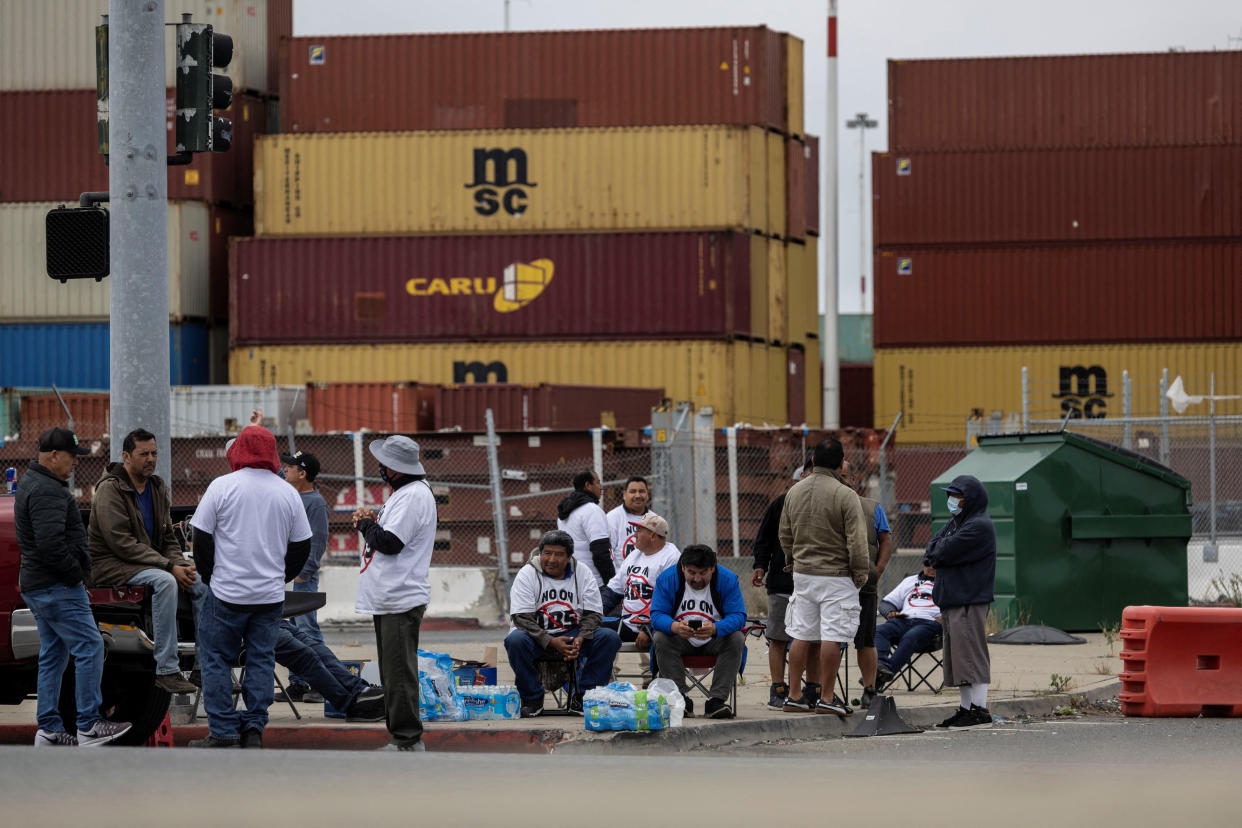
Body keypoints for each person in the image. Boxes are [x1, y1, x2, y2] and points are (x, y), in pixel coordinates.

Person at [188, 424, 312, 748]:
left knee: (217, 659)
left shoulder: (222, 486)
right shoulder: (287, 492)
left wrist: (209, 575)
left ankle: (223, 731)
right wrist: (280, 576)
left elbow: (200, 537)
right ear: (272, 453)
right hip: (269, 597)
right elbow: (302, 545)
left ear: (238, 450)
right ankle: (254, 727)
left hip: (227, 593)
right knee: (261, 659)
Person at [16, 428, 132, 747]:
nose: (74, 464)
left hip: (39, 585)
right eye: (71, 457)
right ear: (54, 455)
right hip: (57, 586)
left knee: (54, 654)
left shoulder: (31, 482)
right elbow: (51, 545)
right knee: (90, 647)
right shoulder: (49, 490)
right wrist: (76, 575)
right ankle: (89, 724)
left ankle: (50, 730)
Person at [88, 428, 205, 694]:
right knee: (165, 581)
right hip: (111, 565)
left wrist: (182, 566)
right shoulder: (110, 489)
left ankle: (203, 668)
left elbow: (167, 539)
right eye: (144, 454)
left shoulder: (157, 487)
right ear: (126, 456)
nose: (150, 458)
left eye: (154, 453)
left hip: (146, 563)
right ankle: (167, 669)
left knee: (202, 582)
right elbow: (121, 543)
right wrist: (168, 567)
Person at [353, 435, 438, 752]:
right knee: (393, 670)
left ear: (396, 469)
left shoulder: (413, 496)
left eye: (384, 465)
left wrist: (364, 524)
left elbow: (390, 542)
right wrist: (373, 520)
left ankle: (407, 740)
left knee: (398, 672)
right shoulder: (407, 493)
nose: (380, 469)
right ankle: (402, 738)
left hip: (399, 597)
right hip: (391, 596)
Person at [777, 438, 869, 716]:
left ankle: (794, 694)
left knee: (800, 633)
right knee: (833, 635)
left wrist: (792, 560)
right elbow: (857, 541)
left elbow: (785, 533)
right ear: (842, 463)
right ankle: (827, 697)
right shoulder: (845, 494)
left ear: (813, 461)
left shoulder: (795, 491)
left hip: (804, 573)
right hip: (837, 575)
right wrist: (860, 573)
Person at [505, 530, 623, 718]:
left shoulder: (582, 572)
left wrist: (581, 638)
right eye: (547, 553)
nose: (551, 559)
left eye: (559, 554)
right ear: (540, 553)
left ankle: (584, 697)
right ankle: (532, 699)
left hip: (572, 635)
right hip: (537, 636)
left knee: (609, 638)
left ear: (569, 557)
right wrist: (550, 641)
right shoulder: (527, 574)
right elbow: (521, 618)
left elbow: (594, 613)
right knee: (515, 640)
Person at [925, 474, 997, 729]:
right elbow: (931, 550)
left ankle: (979, 710)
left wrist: (939, 552)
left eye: (957, 496)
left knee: (971, 655)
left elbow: (941, 551)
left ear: (970, 499)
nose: (952, 500)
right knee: (959, 657)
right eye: (950, 495)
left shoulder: (978, 526)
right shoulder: (958, 522)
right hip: (954, 598)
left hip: (969, 598)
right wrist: (939, 552)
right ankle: (966, 709)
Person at [751, 457, 821, 709]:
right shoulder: (780, 504)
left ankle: (812, 687)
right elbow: (764, 539)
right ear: (799, 478)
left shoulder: (825, 504)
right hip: (782, 582)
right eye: (808, 475)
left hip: (815, 582)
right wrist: (760, 566)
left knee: (814, 639)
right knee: (778, 637)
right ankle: (778, 688)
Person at [650, 544, 747, 719]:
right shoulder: (667, 578)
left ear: (713, 568)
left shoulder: (727, 579)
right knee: (660, 637)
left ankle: (716, 701)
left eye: (703, 573)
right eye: (691, 572)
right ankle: (680, 698)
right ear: (682, 567)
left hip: (714, 640)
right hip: (680, 639)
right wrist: (676, 627)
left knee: (736, 638)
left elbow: (739, 616)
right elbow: (656, 615)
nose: (697, 579)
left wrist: (716, 628)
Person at [279, 449, 330, 703]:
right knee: (291, 630)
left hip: (302, 576)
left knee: (307, 628)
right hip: (284, 573)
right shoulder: (289, 493)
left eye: (290, 467)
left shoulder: (316, 504)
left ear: (303, 473)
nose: (284, 469)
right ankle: (298, 682)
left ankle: (321, 684)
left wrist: (304, 572)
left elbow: (318, 541)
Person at [842, 458, 893, 709]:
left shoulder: (872, 508)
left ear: (853, 480)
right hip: (834, 583)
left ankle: (869, 689)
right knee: (827, 640)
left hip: (865, 586)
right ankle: (822, 690)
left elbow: (885, 538)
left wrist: (878, 569)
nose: (842, 481)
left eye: (845, 476)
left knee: (866, 639)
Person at [274, 620, 386, 721]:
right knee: (305, 655)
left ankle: (360, 690)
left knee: (318, 649)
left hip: (273, 619)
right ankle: (350, 705)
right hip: (258, 625)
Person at [600, 513, 680, 647]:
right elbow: (613, 591)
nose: (635, 535)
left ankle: (655, 668)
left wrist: (648, 629)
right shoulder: (635, 554)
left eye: (639, 531)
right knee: (588, 630)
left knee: (661, 639)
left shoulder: (671, 557)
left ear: (653, 536)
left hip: (657, 625)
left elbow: (670, 600)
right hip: (627, 623)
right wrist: (596, 614)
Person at [874, 559, 941, 686]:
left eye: (936, 564)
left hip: (930, 623)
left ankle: (879, 678)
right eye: (928, 564)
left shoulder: (948, 582)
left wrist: (947, 617)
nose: (931, 567)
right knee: (879, 631)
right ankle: (881, 665)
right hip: (904, 619)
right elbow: (886, 603)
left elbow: (959, 606)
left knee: (911, 636)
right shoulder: (910, 580)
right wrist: (889, 612)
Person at [556, 469, 614, 586]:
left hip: (570, 580)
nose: (601, 487)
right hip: (593, 582)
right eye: (598, 483)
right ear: (588, 485)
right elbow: (601, 552)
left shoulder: (564, 513)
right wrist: (611, 583)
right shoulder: (592, 511)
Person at [605, 476, 653, 563]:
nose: (638, 495)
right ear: (624, 495)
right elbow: (606, 554)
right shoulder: (612, 518)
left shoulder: (654, 519)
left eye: (641, 491)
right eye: (633, 491)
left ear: (647, 495)